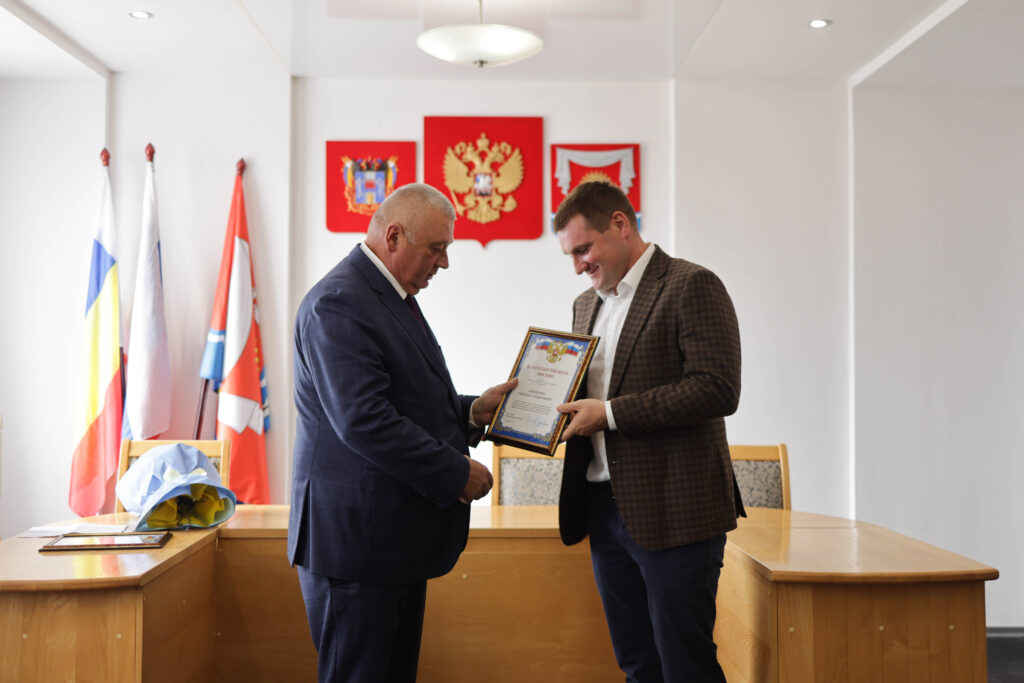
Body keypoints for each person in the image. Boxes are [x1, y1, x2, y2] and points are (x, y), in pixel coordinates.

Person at [288, 183, 516, 683]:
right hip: (356, 548)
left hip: (387, 542)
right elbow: (364, 420)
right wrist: (455, 473)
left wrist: (472, 412)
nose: (444, 263)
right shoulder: (340, 302)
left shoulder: (385, 295)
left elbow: (404, 401)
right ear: (393, 236)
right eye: (437, 248)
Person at [553, 181, 745, 682]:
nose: (578, 266)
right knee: (637, 663)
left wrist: (610, 414)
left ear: (620, 224)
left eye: (583, 249)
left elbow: (717, 388)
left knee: (685, 665)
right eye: (570, 255)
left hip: (675, 509)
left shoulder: (691, 285)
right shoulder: (584, 304)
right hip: (602, 507)